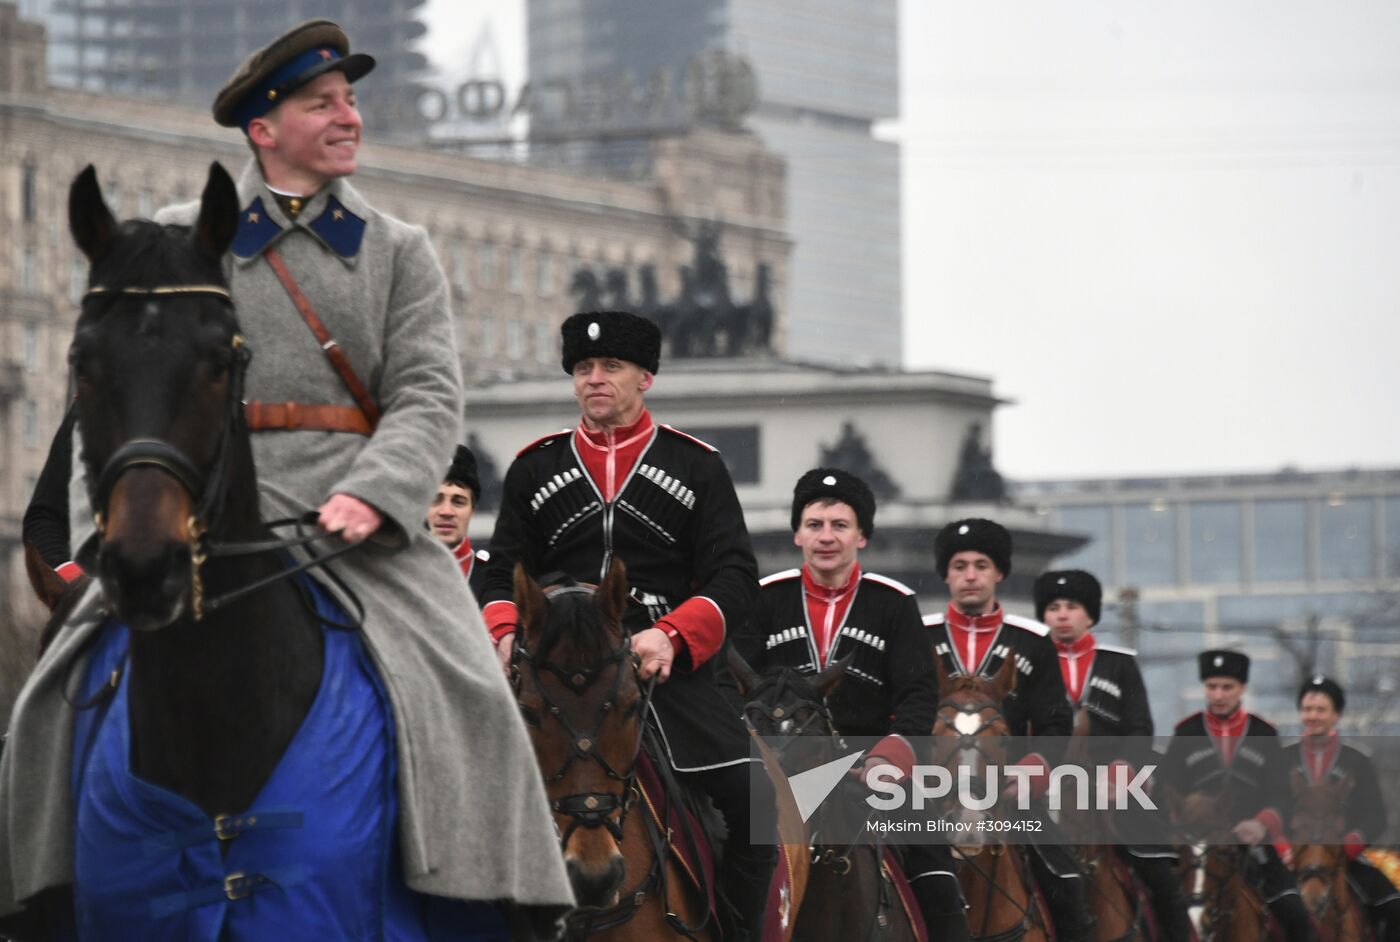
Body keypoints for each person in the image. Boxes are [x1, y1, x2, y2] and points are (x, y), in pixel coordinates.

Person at [0, 20, 571, 935]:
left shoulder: (398, 250)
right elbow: (109, 402)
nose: (349, 117)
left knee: (469, 693)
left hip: (357, 533)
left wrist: (374, 495)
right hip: (185, 519)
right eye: (324, 104)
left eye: (350, 101)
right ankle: (39, 899)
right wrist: (94, 538)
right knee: (43, 706)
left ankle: (494, 903)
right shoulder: (178, 243)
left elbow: (427, 396)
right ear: (264, 129)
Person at [478, 309, 775, 940]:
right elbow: (501, 571)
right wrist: (506, 633)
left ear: (645, 378)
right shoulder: (534, 467)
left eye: (610, 366)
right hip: (554, 673)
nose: (594, 380)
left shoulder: (697, 466)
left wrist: (670, 635)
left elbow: (734, 577)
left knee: (758, 805)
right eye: (583, 368)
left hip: (664, 672)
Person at [734, 469, 959, 937]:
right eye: (814, 525)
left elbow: (919, 696)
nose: (826, 537)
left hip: (870, 769)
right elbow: (735, 687)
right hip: (781, 771)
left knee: (935, 870)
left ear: (862, 536)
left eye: (839, 525)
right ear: (798, 534)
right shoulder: (763, 600)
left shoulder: (894, 604)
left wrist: (889, 758)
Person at [917, 518, 1094, 942]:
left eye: (981, 565)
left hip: (1011, 796)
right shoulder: (917, 636)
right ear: (946, 574)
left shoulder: (1033, 641)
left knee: (1067, 879)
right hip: (925, 795)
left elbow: (1055, 721)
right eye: (959, 566)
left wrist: (1033, 769)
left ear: (999, 573)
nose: (970, 575)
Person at [1035, 569, 1191, 942]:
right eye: (1053, 607)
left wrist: (1122, 769)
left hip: (1114, 785)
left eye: (1072, 606)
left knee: (1160, 874)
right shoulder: (1030, 661)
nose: (1062, 614)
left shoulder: (1118, 663)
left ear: (1089, 615)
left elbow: (1139, 727)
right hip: (1045, 782)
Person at [1161, 651, 1317, 942]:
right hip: (1196, 850)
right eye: (1212, 686)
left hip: (1254, 849)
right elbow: (1167, 791)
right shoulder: (1185, 733)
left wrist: (1260, 823)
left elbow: (1282, 795)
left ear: (1242, 689)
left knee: (1295, 914)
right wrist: (1180, 824)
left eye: (1227, 687)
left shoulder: (1264, 733)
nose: (1218, 694)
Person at [1284, 676, 1400, 941]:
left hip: (1346, 860)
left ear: (1336, 715)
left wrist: (1349, 844)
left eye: (1320, 710)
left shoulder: (1357, 760)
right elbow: (1273, 810)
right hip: (1292, 860)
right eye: (1307, 709)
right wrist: (1285, 849)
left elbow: (1375, 815)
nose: (1312, 716)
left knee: (1394, 906)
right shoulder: (1283, 758)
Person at [429, 444, 490, 597]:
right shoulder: (397, 574)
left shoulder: (492, 580)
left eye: (458, 501)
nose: (446, 512)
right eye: (436, 500)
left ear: (472, 510)